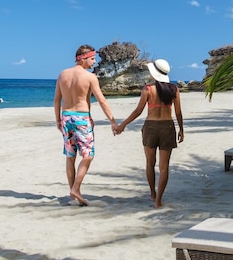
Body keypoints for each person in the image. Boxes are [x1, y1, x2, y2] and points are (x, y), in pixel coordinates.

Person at [54, 44, 118, 206]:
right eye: (92, 58)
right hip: (81, 119)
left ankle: (74, 194)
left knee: (70, 156)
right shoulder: (90, 77)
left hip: (66, 118)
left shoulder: (63, 75)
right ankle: (75, 188)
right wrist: (112, 120)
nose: (94, 62)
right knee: (88, 155)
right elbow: (102, 100)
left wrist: (57, 120)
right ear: (82, 59)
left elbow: (57, 100)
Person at [116, 59, 184, 208]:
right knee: (164, 166)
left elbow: (138, 111)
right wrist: (181, 129)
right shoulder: (174, 89)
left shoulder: (148, 89)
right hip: (167, 127)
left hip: (151, 127)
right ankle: (159, 200)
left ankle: (152, 193)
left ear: (154, 73)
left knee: (150, 163)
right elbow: (178, 112)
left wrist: (122, 125)